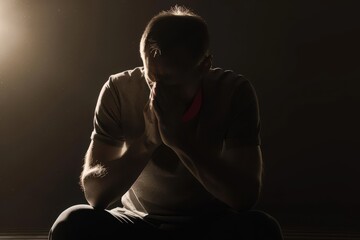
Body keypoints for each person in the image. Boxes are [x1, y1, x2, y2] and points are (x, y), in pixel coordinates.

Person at [49, 5, 284, 240]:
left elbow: (244, 197)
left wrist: (182, 143)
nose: (158, 92)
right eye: (151, 79)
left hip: (209, 223)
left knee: (262, 229)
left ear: (204, 65)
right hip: (137, 221)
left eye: (171, 82)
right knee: (72, 223)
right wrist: (146, 143)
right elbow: (95, 194)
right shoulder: (119, 90)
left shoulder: (234, 92)